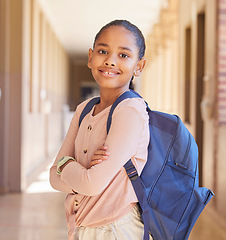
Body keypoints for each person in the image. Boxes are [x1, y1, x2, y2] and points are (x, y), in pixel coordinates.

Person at [50, 19, 152, 240]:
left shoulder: (130, 111)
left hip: (117, 228)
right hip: (88, 226)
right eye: (103, 51)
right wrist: (81, 174)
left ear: (139, 66)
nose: (110, 61)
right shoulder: (84, 110)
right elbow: (52, 178)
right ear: (90, 57)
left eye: (123, 55)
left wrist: (66, 163)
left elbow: (91, 183)